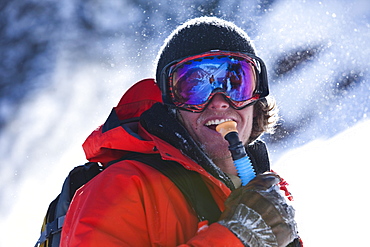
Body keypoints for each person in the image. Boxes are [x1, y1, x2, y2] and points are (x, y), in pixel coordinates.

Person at [60, 17, 301, 247]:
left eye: (235, 84)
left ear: (256, 98)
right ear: (170, 105)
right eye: (196, 86)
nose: (219, 102)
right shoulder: (120, 188)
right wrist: (238, 238)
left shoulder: (269, 192)